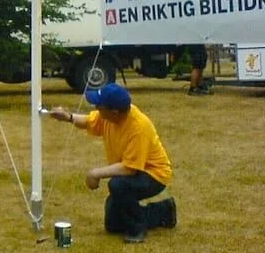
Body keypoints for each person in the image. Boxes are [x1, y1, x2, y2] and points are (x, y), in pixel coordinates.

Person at [49, 83, 173, 244]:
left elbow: (130, 168)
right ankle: (164, 211)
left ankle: (137, 229)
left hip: (154, 175)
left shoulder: (139, 127)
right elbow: (88, 121)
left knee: (118, 185)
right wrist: (68, 117)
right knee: (112, 224)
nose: (96, 108)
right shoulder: (110, 116)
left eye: (98, 106)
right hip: (133, 170)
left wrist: (95, 173)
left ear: (113, 112)